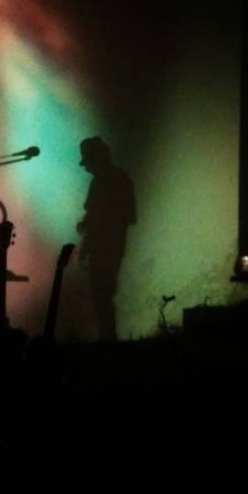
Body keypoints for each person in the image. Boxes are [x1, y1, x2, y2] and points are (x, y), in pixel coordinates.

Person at [76, 136, 136, 341]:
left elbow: (97, 218)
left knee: (101, 295)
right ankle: (108, 340)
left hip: (104, 248)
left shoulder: (102, 182)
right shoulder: (121, 179)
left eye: (88, 162)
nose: (87, 168)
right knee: (104, 295)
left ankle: (108, 341)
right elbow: (126, 217)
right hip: (114, 246)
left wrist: (86, 242)